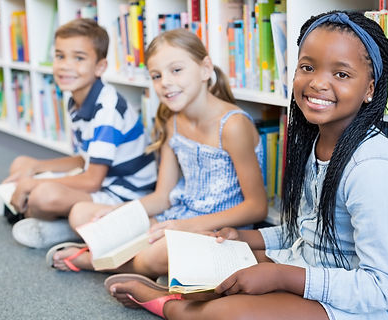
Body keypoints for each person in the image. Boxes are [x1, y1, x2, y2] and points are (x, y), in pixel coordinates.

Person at [104, 11, 388, 320]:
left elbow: (382, 289)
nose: (317, 83)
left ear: (370, 89)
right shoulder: (317, 142)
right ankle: (181, 295)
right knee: (217, 270)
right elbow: (307, 233)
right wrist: (245, 239)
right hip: (315, 266)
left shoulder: (373, 169)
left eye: (341, 74)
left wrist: (279, 276)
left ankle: (169, 305)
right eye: (307, 67)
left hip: (380, 307)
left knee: (230, 313)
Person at [48, 29, 267, 276]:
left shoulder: (233, 125)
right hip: (176, 215)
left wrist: (184, 226)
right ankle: (123, 255)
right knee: (83, 213)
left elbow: (257, 207)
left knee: (157, 253)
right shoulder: (172, 123)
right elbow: (162, 197)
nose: (165, 82)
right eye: (156, 75)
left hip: (218, 229)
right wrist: (120, 214)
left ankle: (88, 260)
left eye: (176, 70)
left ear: (205, 68)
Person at [0, 18, 157, 249]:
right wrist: (34, 169)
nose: (65, 66)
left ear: (100, 66)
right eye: (60, 56)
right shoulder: (76, 99)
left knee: (43, 196)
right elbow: (85, 158)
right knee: (22, 163)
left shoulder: (107, 109)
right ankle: (31, 211)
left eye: (79, 58)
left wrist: (32, 184)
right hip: (99, 179)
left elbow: (92, 180)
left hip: (122, 193)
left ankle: (61, 228)